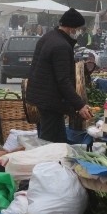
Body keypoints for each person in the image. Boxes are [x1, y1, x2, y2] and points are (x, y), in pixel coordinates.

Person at [25, 8, 93, 143]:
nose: (79, 32)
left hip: (43, 98)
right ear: (71, 28)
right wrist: (79, 105)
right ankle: (47, 163)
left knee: (52, 138)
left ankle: (49, 161)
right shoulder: (61, 46)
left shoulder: (48, 37)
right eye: (78, 29)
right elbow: (63, 80)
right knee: (52, 142)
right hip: (51, 101)